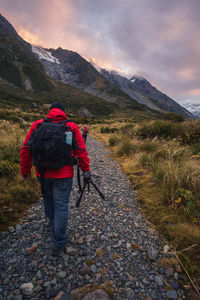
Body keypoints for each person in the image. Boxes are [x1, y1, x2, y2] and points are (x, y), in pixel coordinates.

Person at [20, 102, 91, 255]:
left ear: (50, 111)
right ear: (63, 113)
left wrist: (25, 171)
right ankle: (58, 243)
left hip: (42, 173)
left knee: (47, 198)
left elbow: (26, 149)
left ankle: (51, 222)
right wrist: (86, 171)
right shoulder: (71, 126)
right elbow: (81, 151)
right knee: (61, 206)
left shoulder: (37, 125)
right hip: (63, 175)